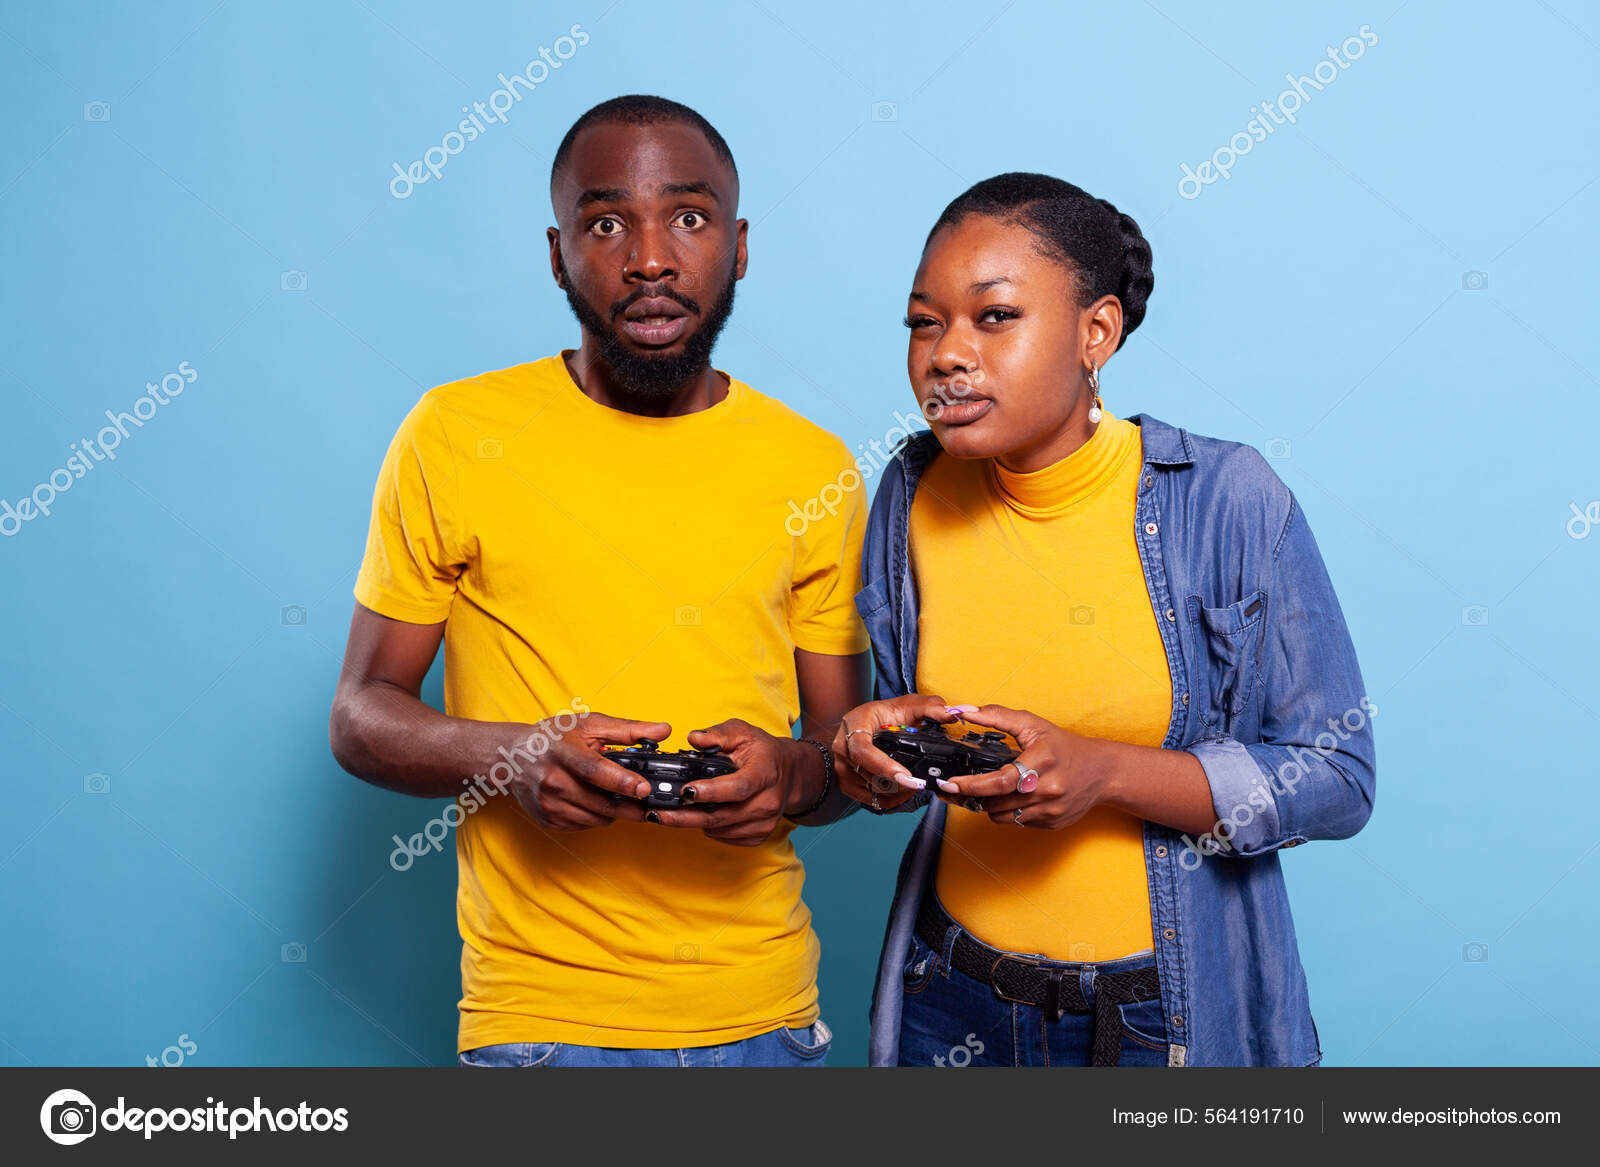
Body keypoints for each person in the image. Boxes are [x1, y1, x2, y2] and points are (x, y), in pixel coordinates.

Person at [329, 95, 871, 1068]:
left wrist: (794, 774)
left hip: (767, 1020)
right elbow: (361, 715)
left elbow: (838, 757)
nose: (651, 257)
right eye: (607, 221)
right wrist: (516, 755)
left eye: (690, 218)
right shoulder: (453, 436)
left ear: (738, 247)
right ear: (557, 254)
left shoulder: (814, 469)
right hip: (540, 1030)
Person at [832, 173, 1376, 1067]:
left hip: (1160, 1016)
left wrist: (1106, 774)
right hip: (950, 998)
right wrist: (869, 756)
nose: (946, 354)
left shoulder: (1225, 501)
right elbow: (906, 749)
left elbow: (1337, 773)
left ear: (1098, 331)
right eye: (924, 322)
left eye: (993, 317)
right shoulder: (911, 489)